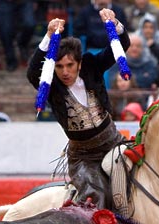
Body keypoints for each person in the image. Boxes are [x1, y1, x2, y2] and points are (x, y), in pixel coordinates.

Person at [26, 9, 130, 209]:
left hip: (114, 142)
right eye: (59, 66)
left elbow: (121, 46)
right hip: (83, 156)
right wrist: (48, 36)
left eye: (70, 65)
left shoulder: (92, 65)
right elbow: (32, 72)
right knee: (94, 196)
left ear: (79, 64)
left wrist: (114, 23)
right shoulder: (52, 85)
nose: (65, 72)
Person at [0, 0, 34, 72]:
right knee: (5, 31)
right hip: (5, 2)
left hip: (25, 2)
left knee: (30, 25)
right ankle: (11, 60)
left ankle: (22, 44)